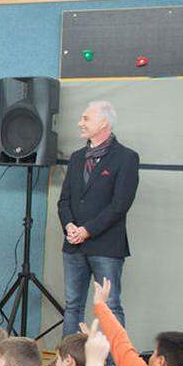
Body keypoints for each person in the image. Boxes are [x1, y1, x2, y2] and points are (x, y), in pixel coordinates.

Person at [58, 100, 140, 336]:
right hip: (73, 245)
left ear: (103, 123)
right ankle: (68, 360)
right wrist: (70, 226)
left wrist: (87, 230)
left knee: (110, 306)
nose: (79, 123)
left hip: (106, 246)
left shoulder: (126, 158)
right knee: (73, 305)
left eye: (85, 118)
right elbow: (64, 200)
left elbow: (120, 205)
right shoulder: (76, 158)